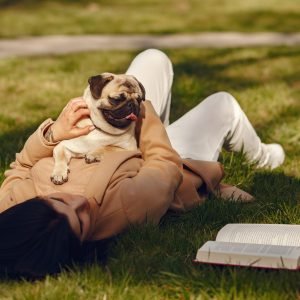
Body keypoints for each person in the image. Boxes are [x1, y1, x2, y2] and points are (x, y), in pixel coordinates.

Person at [0, 49, 285, 279]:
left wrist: (54, 134)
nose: (79, 204)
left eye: (60, 202)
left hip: (107, 133)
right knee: (223, 105)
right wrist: (137, 111)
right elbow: (164, 165)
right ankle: (264, 156)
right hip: (155, 149)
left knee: (153, 58)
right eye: (81, 220)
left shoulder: (13, 204)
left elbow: (21, 165)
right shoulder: (123, 208)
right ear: (81, 244)